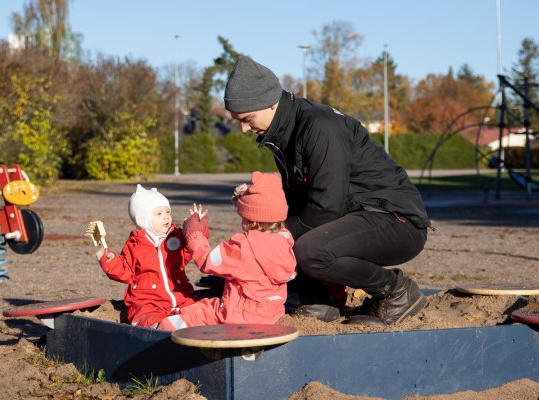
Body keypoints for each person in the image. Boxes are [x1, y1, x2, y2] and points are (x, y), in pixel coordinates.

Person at [222, 55, 432, 325]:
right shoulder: (283, 132)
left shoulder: (320, 127)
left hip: (395, 219)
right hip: (355, 215)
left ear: (270, 102)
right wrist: (258, 200)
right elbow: (300, 201)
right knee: (280, 235)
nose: (243, 128)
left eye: (247, 118)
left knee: (307, 250)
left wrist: (272, 238)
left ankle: (396, 291)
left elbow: (325, 208)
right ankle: (319, 300)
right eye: (237, 120)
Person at [158, 172, 297, 331]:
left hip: (238, 318)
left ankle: (160, 338)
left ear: (250, 219)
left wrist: (193, 233)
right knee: (209, 304)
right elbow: (264, 209)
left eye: (243, 215)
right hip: (270, 317)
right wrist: (244, 200)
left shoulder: (243, 247)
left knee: (197, 312)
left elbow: (207, 261)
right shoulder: (285, 241)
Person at [94, 184, 199, 328]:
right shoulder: (136, 244)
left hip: (180, 296)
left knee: (199, 308)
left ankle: (183, 323)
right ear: (143, 218)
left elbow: (189, 249)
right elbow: (126, 271)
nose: (166, 217)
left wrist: (196, 229)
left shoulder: (176, 236)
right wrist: (111, 262)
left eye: (167, 212)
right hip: (148, 300)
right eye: (159, 214)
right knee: (145, 316)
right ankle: (158, 327)